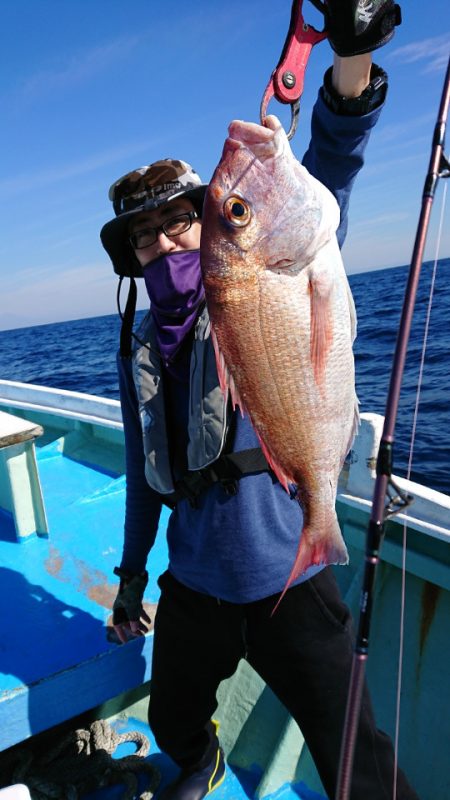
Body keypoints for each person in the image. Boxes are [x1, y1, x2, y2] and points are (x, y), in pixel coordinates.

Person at [100, 2, 420, 798]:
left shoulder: (257, 277)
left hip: (291, 574)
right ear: (131, 256)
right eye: (147, 235)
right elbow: (146, 476)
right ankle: (201, 759)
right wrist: (135, 577)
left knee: (359, 759)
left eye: (183, 223)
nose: (167, 242)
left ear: (207, 231)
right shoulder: (138, 346)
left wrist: (349, 65)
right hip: (194, 585)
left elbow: (329, 166)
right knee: (173, 716)